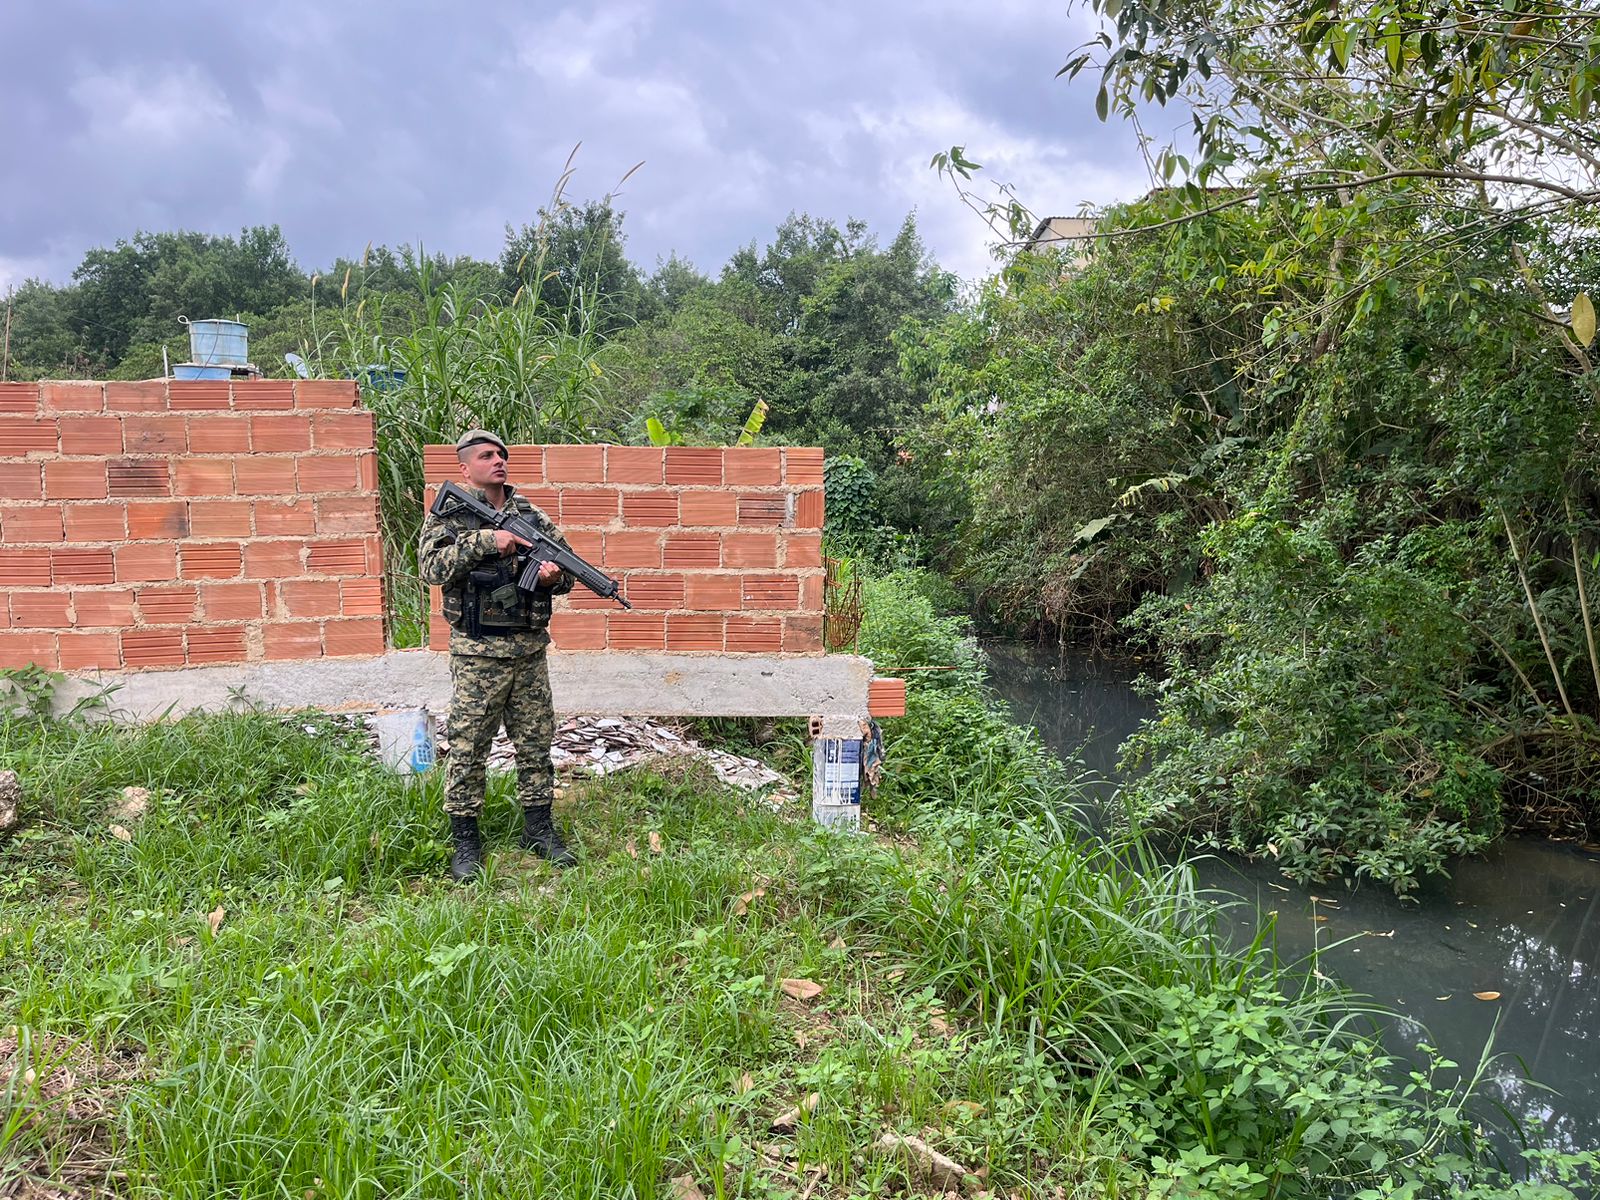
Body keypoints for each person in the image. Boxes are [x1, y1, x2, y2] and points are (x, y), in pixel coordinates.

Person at [417, 429, 577, 880]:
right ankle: (466, 842)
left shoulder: (530, 515)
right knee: (468, 747)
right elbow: (430, 568)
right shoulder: (452, 513)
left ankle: (539, 829)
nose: (498, 461)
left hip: (528, 650)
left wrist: (551, 579)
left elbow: (567, 570)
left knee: (536, 743)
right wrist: (488, 542)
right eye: (486, 456)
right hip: (477, 653)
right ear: (465, 469)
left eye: (502, 455)